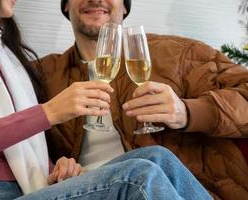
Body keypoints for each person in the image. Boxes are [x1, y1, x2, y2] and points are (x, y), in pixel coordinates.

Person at [0, 0, 212, 199]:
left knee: (157, 157)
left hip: (27, 187)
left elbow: (22, 147)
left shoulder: (3, 52)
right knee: (140, 176)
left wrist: (56, 168)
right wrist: (49, 112)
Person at [39, 0, 248, 199]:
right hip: (96, 190)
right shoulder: (44, 74)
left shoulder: (177, 54)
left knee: (148, 166)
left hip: (175, 192)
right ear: (66, 4)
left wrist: (187, 112)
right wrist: (60, 169)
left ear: (125, 6)